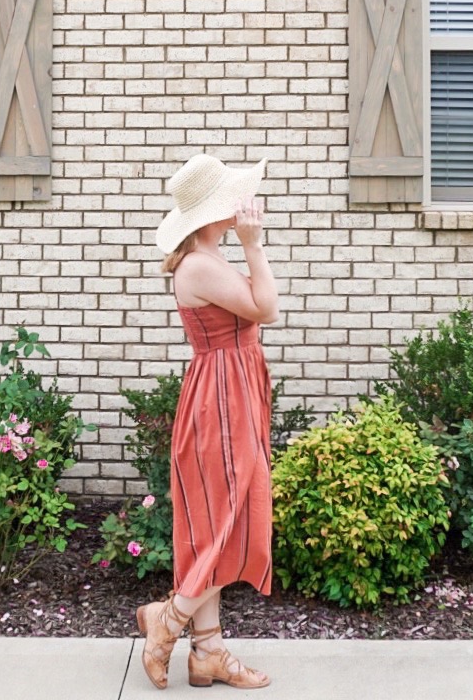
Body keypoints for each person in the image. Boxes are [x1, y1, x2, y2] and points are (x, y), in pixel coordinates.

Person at [137, 152, 279, 691]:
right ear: (211, 214)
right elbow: (267, 308)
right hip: (220, 401)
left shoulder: (207, 260)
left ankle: (208, 652)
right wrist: (254, 244)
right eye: (230, 203)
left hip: (231, 392)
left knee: (219, 520)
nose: (240, 208)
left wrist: (245, 249)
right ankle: (166, 621)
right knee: (226, 519)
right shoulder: (199, 264)